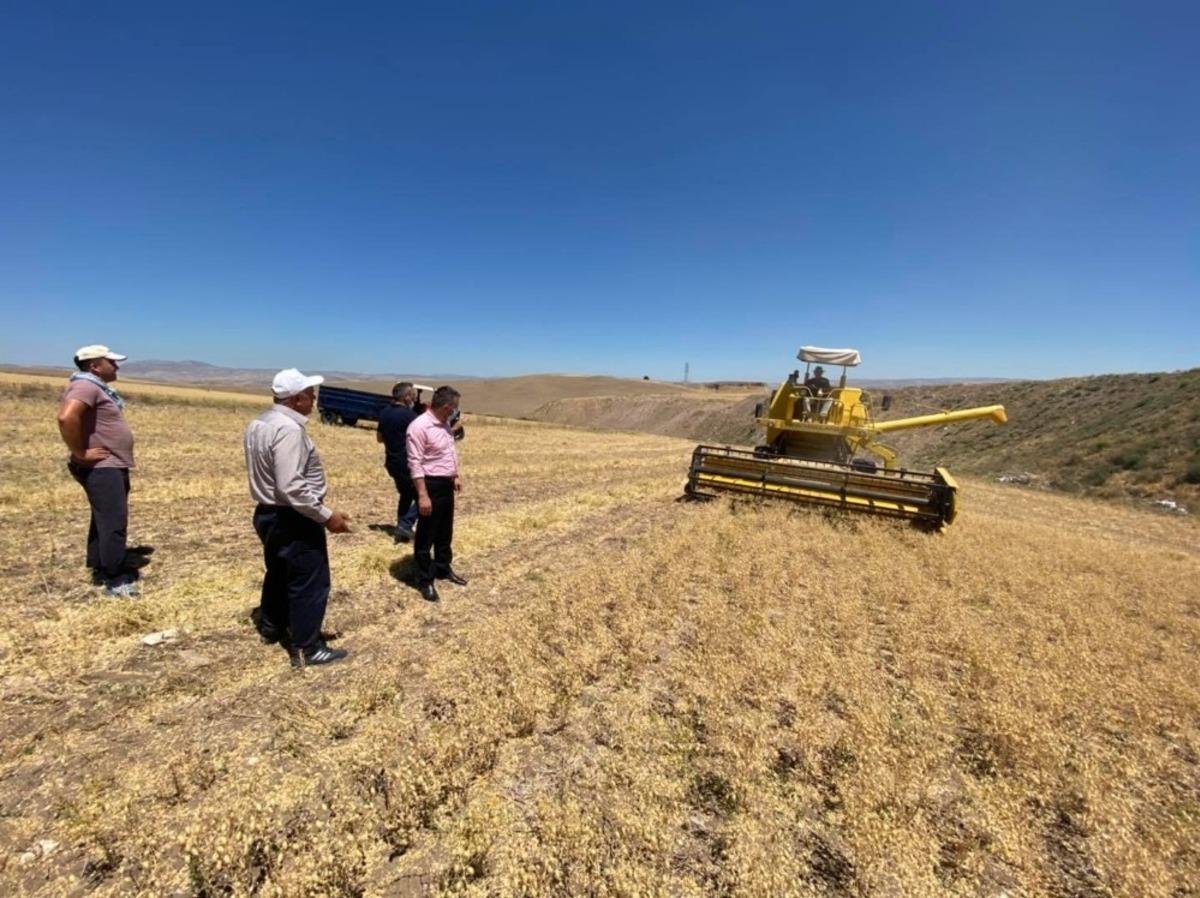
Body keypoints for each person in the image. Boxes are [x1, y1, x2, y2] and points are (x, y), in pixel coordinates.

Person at [244, 369, 353, 667]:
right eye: (309, 394)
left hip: (268, 513)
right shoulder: (289, 430)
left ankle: (271, 626)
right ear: (296, 399)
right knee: (310, 581)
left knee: (279, 572)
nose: (314, 399)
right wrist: (326, 516)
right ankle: (309, 647)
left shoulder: (259, 422)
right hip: (293, 516)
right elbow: (290, 486)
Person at [57, 345, 148, 597]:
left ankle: (99, 563)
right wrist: (80, 453)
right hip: (102, 467)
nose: (116, 366)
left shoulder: (93, 386)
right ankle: (115, 579)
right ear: (95, 366)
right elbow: (66, 418)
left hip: (108, 464)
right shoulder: (85, 386)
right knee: (113, 521)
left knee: (103, 517)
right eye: (111, 362)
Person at [406, 385, 467, 602]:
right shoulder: (419, 427)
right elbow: (414, 463)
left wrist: (455, 475)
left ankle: (442, 567)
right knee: (426, 534)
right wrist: (422, 495)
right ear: (446, 406)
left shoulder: (444, 425)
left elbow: (448, 453)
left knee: (444, 531)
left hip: (445, 485)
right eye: (454, 408)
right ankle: (424, 579)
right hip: (429, 485)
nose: (455, 412)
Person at [377, 381, 420, 542]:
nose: (414, 399)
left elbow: (379, 438)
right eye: (413, 395)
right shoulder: (410, 416)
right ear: (407, 396)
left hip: (392, 462)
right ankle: (406, 524)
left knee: (406, 495)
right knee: (425, 494)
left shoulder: (385, 412)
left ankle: (401, 530)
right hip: (407, 463)